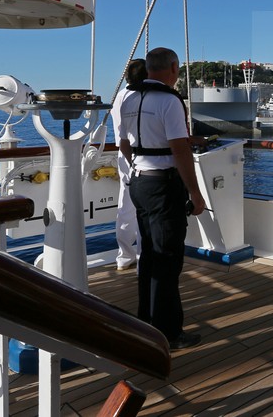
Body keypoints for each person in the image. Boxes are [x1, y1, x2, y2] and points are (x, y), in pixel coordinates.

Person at [117, 47, 206, 350]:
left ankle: (146, 322)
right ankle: (168, 333)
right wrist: (195, 192)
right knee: (168, 260)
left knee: (150, 256)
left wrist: (139, 163)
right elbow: (180, 150)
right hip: (164, 186)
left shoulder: (129, 98)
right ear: (172, 68)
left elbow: (124, 144)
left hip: (139, 183)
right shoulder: (170, 101)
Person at [111, 58, 146, 271]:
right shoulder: (141, 97)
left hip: (124, 157)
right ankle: (144, 257)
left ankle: (124, 257)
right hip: (142, 156)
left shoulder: (120, 97)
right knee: (144, 210)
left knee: (125, 208)